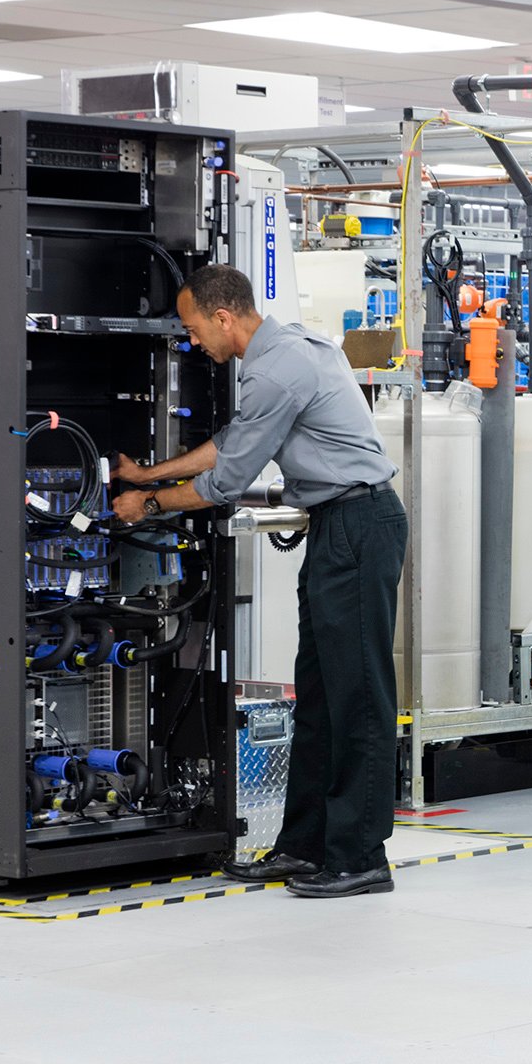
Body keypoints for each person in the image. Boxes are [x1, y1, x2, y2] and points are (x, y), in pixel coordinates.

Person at [109, 264, 407, 899]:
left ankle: (360, 856)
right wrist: (148, 476)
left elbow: (225, 478)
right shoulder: (283, 353)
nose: (193, 344)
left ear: (223, 318)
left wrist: (151, 506)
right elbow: (230, 443)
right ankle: (304, 847)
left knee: (358, 695)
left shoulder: (276, 369)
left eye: (193, 331)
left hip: (358, 524)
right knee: (321, 695)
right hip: (338, 525)